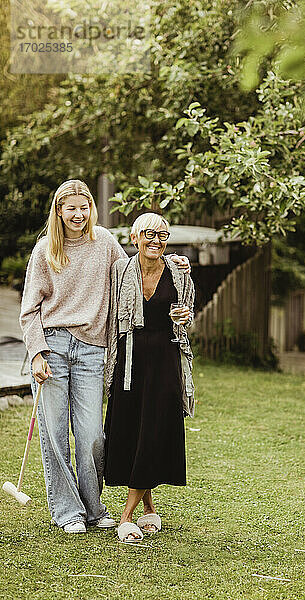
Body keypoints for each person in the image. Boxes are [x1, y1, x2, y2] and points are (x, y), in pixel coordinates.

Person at [19, 180, 189, 534]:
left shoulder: (105, 242)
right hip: (52, 345)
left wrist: (168, 259)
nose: (78, 215)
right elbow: (29, 309)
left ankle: (94, 509)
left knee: (93, 435)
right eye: (71, 208)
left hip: (92, 350)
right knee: (54, 436)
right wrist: (36, 352)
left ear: (91, 208)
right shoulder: (44, 251)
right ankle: (68, 513)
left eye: (84, 207)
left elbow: (135, 266)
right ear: (59, 211)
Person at [104, 212, 195, 543]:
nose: (156, 241)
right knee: (132, 431)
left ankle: (125, 517)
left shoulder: (179, 271)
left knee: (154, 430)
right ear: (135, 238)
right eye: (150, 234)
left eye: (163, 235)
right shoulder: (119, 269)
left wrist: (186, 316)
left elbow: (188, 312)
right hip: (129, 361)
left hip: (164, 362)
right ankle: (149, 510)